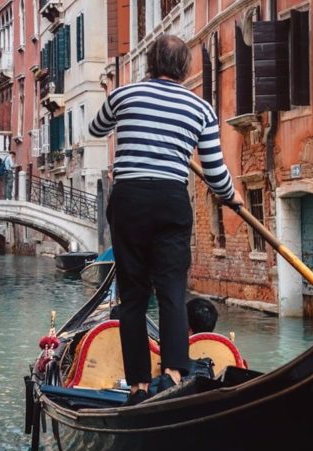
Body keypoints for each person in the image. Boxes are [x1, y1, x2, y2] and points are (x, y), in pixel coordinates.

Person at [88, 34, 244, 406]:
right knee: (172, 289)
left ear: (150, 63)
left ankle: (140, 384)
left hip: (129, 201)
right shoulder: (201, 109)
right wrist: (232, 196)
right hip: (171, 201)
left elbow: (95, 129)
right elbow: (215, 170)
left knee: (134, 296)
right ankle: (174, 373)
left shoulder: (125, 95)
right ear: (185, 67)